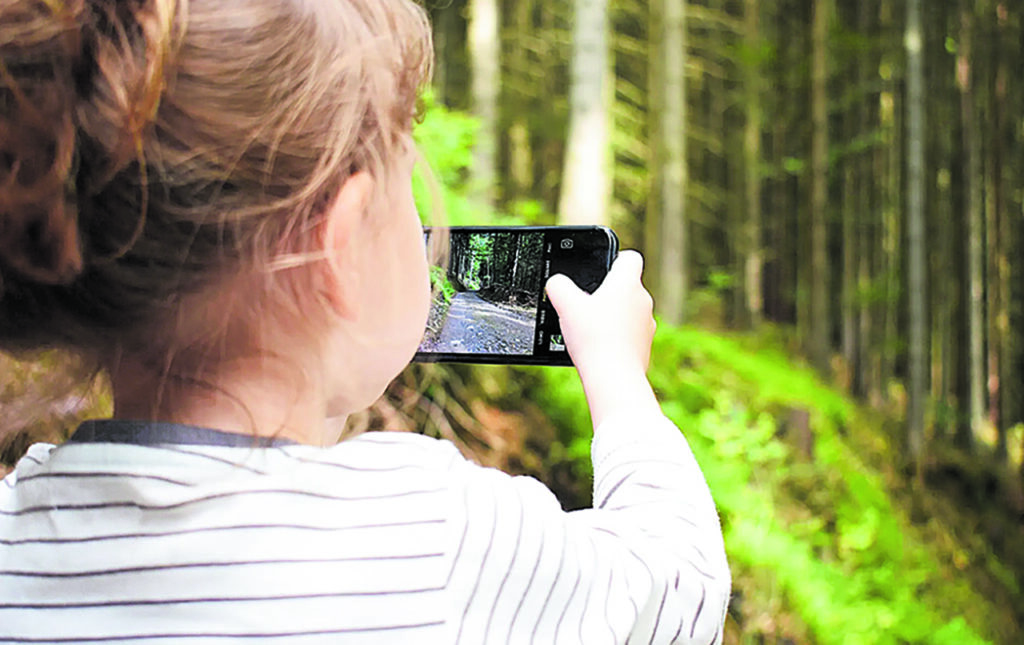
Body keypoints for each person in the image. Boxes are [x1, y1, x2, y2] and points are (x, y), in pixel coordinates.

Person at [0, 0, 730, 643]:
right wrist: (618, 378)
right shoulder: (438, 537)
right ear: (341, 244)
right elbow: (679, 583)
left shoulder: (16, 538)